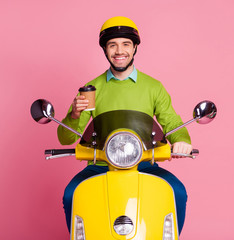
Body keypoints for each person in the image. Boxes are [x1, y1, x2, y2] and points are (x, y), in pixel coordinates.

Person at [57, 16, 193, 235]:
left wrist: (182, 142)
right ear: (105, 50)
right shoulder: (92, 89)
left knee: (177, 191)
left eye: (125, 44)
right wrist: (74, 113)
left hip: (144, 163)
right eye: (112, 45)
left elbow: (172, 121)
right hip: (100, 164)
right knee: (71, 194)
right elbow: (66, 138)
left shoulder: (153, 87)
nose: (119, 50)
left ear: (135, 47)